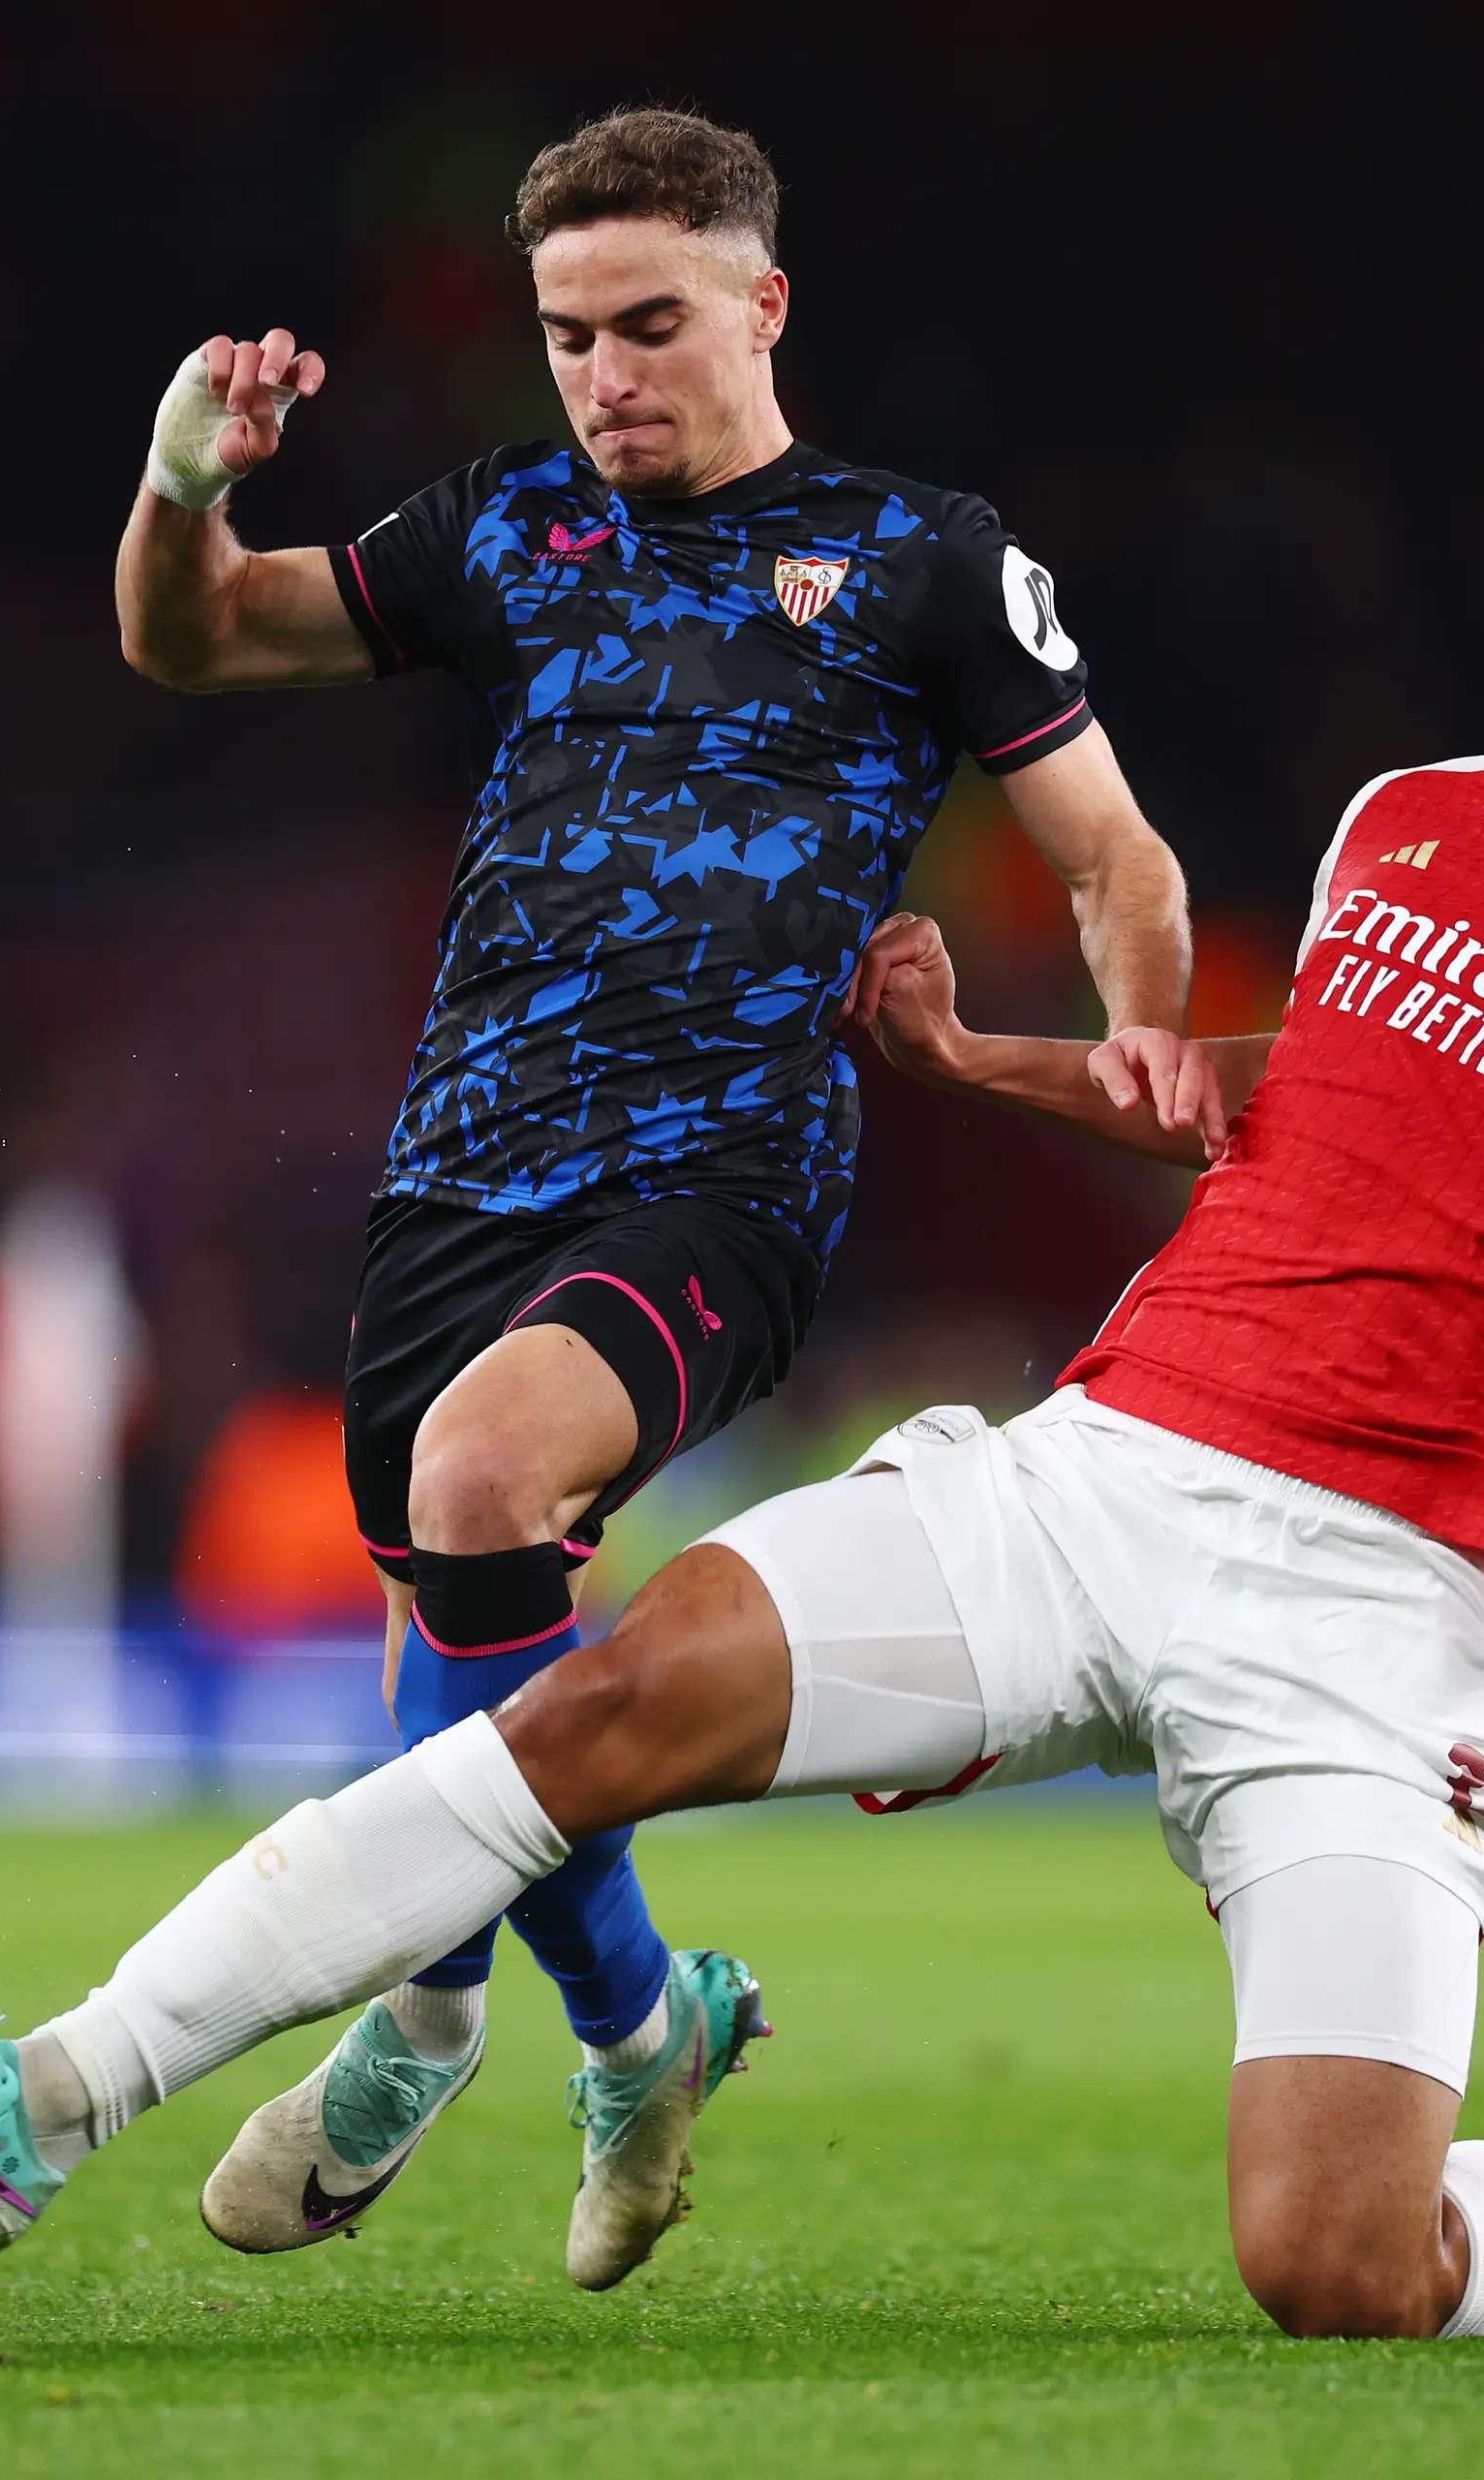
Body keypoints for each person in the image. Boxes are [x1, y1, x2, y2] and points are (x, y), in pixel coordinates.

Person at [0, 462, 1484, 2338]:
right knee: (601, 1704)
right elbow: (1308, 1083)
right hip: (1101, 1477)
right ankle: (45, 2097)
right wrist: (989, 1054)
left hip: (1384, 1627)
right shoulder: (1419, 821)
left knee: (1329, 2261)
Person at [105, 108, 1193, 2284]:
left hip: (726, 1179)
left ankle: (477, 2020)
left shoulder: (917, 556)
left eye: (647, 325)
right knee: (458, 1598)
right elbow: (198, 638)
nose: (600, 376)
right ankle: (581, 2007)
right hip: (460, 1175)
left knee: (485, 1474)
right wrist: (180, 482)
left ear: (763, 305)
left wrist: (1144, 1024)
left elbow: (1116, 859)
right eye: (566, 333)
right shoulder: (507, 525)